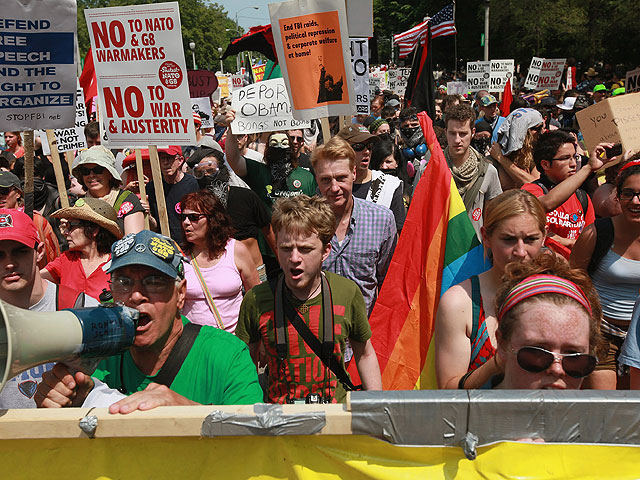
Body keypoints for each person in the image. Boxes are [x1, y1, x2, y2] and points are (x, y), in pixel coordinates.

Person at [35, 230, 264, 412]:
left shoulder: (228, 355)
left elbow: (253, 439)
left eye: (154, 282)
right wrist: (61, 404)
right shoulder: (97, 360)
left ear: (181, 294)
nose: (135, 295)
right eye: (123, 282)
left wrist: (186, 412)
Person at [236, 195, 382, 403]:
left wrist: (377, 408)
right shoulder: (256, 299)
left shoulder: (346, 292)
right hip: (280, 424)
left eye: (305, 249)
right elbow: (245, 365)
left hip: (335, 422)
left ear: (325, 251)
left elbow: (365, 354)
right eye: (286, 248)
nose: (294, 258)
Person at [435, 190, 547, 389]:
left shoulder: (557, 296)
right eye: (508, 239)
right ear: (486, 237)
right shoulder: (460, 303)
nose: (520, 252)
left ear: (544, 236)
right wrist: (497, 363)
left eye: (530, 239)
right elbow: (448, 390)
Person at [0, 209, 97, 409]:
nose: (9, 263)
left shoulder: (84, 308)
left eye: (20, 251)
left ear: (40, 252)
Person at [571, 154, 640, 389]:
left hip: (638, 338)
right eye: (628, 193)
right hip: (601, 334)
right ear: (618, 196)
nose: (635, 201)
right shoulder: (597, 233)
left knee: (633, 414)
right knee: (606, 413)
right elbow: (574, 279)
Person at [489, 254, 601, 390]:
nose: (557, 369)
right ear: (502, 345)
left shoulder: (601, 411)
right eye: (537, 353)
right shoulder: (467, 410)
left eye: (573, 356)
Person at [312, 136, 397, 315]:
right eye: (326, 180)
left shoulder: (381, 220)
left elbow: (388, 284)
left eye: (341, 178)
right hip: (315, 335)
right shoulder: (303, 222)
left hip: (364, 336)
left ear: (354, 174)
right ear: (316, 179)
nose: (334, 188)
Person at [189, 146, 276, 281]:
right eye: (201, 173)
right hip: (221, 276)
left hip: (255, 272)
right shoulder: (196, 207)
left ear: (222, 170)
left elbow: (269, 232)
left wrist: (282, 262)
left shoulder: (246, 197)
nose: (207, 177)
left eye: (211, 171)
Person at [522, 132, 612, 259]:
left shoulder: (582, 198)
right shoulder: (530, 191)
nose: (573, 164)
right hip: (542, 271)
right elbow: (547, 203)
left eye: (574, 157)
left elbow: (590, 241)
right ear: (545, 164)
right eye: (565, 158)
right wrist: (588, 168)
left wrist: (566, 241)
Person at [180, 190, 259, 332]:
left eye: (193, 217)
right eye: (183, 217)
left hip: (233, 341)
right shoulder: (180, 257)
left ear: (212, 220)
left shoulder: (236, 250)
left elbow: (255, 296)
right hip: (194, 343)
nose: (186, 223)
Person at [224, 111, 317, 210]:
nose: (279, 146)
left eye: (284, 143)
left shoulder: (307, 177)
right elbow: (234, 159)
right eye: (274, 143)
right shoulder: (259, 172)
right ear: (267, 148)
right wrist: (231, 128)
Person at [41, 198, 122, 300]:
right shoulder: (65, 259)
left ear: (94, 230)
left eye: (71, 226)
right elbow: (35, 281)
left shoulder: (118, 264)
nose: (65, 232)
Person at [444, 104, 502, 238]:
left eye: (463, 134)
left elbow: (492, 220)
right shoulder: (430, 170)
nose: (457, 140)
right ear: (445, 132)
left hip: (474, 249)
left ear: (473, 133)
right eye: (452, 133)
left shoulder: (488, 171)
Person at [337, 124, 406, 232]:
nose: (367, 152)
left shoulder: (390, 186)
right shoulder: (330, 186)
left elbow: (398, 233)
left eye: (369, 146)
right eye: (359, 147)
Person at [72, 146, 145, 235]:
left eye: (97, 170)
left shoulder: (128, 200)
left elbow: (133, 241)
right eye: (85, 171)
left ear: (110, 174)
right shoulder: (78, 205)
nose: (91, 175)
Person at [0, 170, 60, 268]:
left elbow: (54, 258)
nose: (0, 196)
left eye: (4, 191)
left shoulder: (35, 220)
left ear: (18, 193)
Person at [144, 146, 199, 243]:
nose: (165, 163)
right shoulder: (152, 187)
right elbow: (154, 227)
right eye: (162, 159)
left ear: (180, 160)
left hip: (187, 244)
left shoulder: (191, 184)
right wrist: (148, 214)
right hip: (162, 244)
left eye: (169, 158)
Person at [490, 108, 544, 190]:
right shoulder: (492, 161)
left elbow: (537, 186)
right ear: (523, 132)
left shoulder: (535, 156)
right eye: (538, 128)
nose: (542, 131)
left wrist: (502, 159)